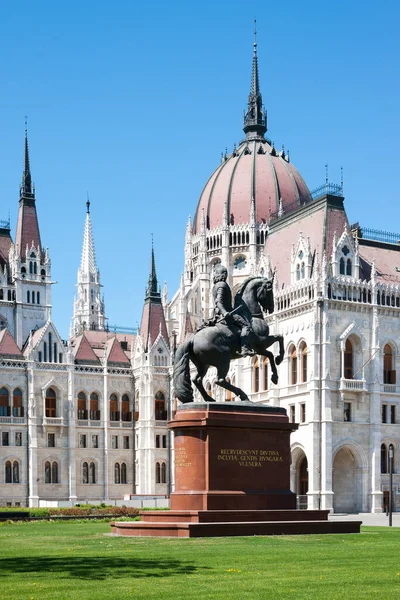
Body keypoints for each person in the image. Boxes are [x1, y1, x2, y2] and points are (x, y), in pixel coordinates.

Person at [212, 264, 254, 357]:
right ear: (224, 274)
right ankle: (244, 348)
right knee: (246, 326)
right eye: (225, 273)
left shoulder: (215, 286)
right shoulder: (222, 285)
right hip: (226, 314)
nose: (226, 275)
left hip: (217, 314)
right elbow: (218, 301)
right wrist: (225, 312)